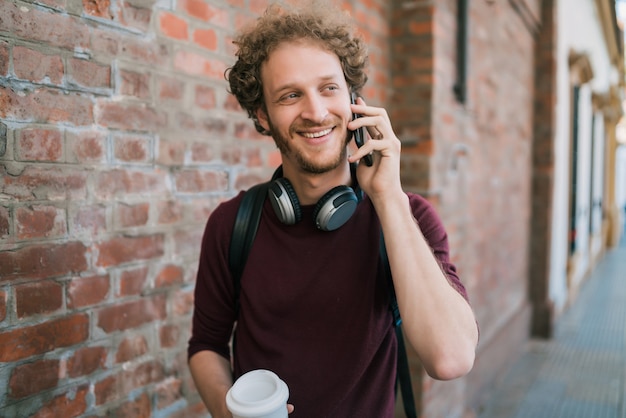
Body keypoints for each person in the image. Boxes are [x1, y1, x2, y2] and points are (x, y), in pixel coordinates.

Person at [187, 2, 479, 417]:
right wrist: (225, 407)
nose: (316, 112)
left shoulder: (406, 216)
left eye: (329, 88)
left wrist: (390, 198)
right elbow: (206, 346)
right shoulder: (233, 225)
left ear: (354, 101)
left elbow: (450, 359)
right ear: (263, 117)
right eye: (290, 95)